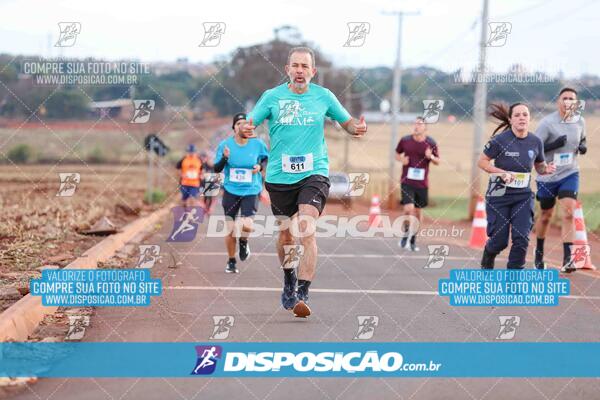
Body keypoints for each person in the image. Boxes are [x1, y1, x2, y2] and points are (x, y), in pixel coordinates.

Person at [242, 46, 367, 318]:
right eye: (295, 65)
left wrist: (356, 128)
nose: (300, 70)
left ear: (312, 71)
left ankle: (303, 289)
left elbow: (347, 123)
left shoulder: (324, 96)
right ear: (288, 70)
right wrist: (245, 128)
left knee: (305, 227)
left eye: (304, 66)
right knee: (286, 233)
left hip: (314, 172)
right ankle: (289, 279)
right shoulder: (272, 97)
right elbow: (248, 124)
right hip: (279, 175)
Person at [477, 103, 556, 269]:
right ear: (510, 119)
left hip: (523, 195)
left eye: (525, 115)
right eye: (517, 115)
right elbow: (482, 162)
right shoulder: (500, 140)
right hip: (498, 193)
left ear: (529, 118)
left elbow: (539, 166)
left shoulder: (535, 141)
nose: (522, 118)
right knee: (499, 241)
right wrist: (500, 172)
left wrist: (546, 169)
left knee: (521, 238)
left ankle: (513, 278)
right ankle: (489, 252)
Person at [533, 87, 587, 272]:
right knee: (546, 216)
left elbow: (583, 139)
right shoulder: (547, 123)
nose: (568, 101)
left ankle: (567, 260)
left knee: (568, 212)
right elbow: (534, 150)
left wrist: (582, 146)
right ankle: (538, 253)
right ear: (558, 101)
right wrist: (553, 145)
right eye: (565, 98)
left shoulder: (580, 121)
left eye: (572, 99)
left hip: (570, 173)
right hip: (547, 175)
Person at [213, 112, 269, 274]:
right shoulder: (225, 145)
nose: (242, 126)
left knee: (247, 224)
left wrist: (260, 167)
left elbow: (265, 159)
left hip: (251, 189)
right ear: (234, 128)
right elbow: (216, 168)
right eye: (239, 124)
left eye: (245, 123)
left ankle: (243, 242)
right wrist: (224, 158)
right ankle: (231, 260)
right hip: (231, 190)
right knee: (230, 229)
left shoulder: (257, 144)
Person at [395, 116, 440, 251]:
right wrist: (401, 159)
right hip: (407, 181)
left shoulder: (431, 143)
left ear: (425, 127)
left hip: (422, 184)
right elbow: (397, 154)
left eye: (419, 124)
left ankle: (413, 239)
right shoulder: (405, 140)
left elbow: (438, 161)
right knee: (408, 209)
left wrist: (430, 157)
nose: (416, 126)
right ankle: (406, 234)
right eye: (415, 123)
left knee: (418, 212)